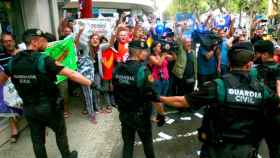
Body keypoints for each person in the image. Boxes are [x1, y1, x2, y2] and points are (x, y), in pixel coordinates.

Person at [160, 42, 278, 158]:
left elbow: (182, 101)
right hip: (246, 150)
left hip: (217, 149)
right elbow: (275, 106)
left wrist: (158, 98)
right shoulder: (262, 90)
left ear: (230, 63)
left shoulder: (217, 86)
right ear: (249, 65)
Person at [0, 28, 95, 158]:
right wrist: (91, 84)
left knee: (37, 139)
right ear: (34, 42)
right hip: (49, 107)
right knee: (60, 133)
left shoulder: (13, 61)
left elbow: (2, 80)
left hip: (29, 108)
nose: (46, 43)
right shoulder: (44, 60)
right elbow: (71, 73)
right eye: (43, 40)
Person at [112, 40, 164, 158]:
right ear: (139, 52)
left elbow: (114, 89)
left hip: (125, 114)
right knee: (147, 143)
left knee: (128, 145)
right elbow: (154, 97)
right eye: (145, 51)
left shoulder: (118, 68)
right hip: (141, 116)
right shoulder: (143, 70)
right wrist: (161, 114)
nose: (146, 54)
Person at [254, 40, 280, 158]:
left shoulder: (254, 71)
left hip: (258, 115)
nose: (255, 56)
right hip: (276, 115)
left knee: (252, 147)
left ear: (264, 54)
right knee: (275, 148)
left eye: (257, 53)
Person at [0, 32, 21, 143]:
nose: (8, 43)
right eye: (5, 42)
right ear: (2, 44)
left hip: (23, 82)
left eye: (10, 41)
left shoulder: (22, 52)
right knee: (6, 101)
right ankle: (14, 130)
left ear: (14, 41)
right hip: (8, 85)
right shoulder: (1, 57)